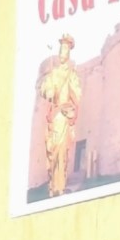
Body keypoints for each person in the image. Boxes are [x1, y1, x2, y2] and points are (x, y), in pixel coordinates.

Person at [39, 34, 83, 197]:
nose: (61, 52)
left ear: (68, 53)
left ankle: (60, 185)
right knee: (53, 150)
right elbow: (44, 89)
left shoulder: (71, 74)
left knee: (62, 152)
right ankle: (52, 185)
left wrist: (71, 101)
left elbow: (77, 95)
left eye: (64, 49)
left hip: (63, 116)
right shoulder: (53, 72)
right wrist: (48, 91)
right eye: (60, 49)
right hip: (54, 116)